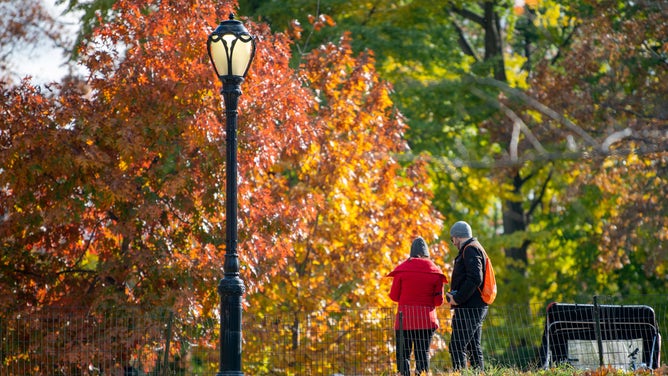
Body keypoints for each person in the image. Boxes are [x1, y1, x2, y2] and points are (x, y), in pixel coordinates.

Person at [388, 237, 447, 376]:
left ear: (412, 253)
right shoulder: (436, 272)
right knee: (422, 355)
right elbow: (438, 301)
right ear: (426, 253)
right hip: (426, 321)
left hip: (405, 320)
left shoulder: (402, 270)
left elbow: (394, 296)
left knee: (403, 356)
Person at [445, 220, 489, 371]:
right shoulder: (475, 248)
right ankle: (479, 373)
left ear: (457, 237)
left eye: (452, 240)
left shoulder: (470, 249)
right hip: (477, 305)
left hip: (470, 308)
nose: (453, 243)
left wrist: (457, 298)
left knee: (456, 346)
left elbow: (475, 278)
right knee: (472, 346)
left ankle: (460, 374)